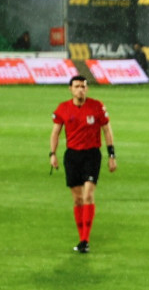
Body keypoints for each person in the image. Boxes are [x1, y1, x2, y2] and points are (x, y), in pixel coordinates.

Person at [49, 75, 116, 254]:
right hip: (72, 156)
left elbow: (107, 130)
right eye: (77, 86)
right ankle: (81, 238)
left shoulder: (97, 106)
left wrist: (111, 155)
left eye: (84, 86)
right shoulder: (63, 108)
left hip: (91, 155)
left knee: (88, 195)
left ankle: (85, 240)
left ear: (87, 89)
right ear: (70, 89)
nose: (81, 89)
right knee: (77, 199)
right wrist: (52, 154)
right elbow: (55, 133)